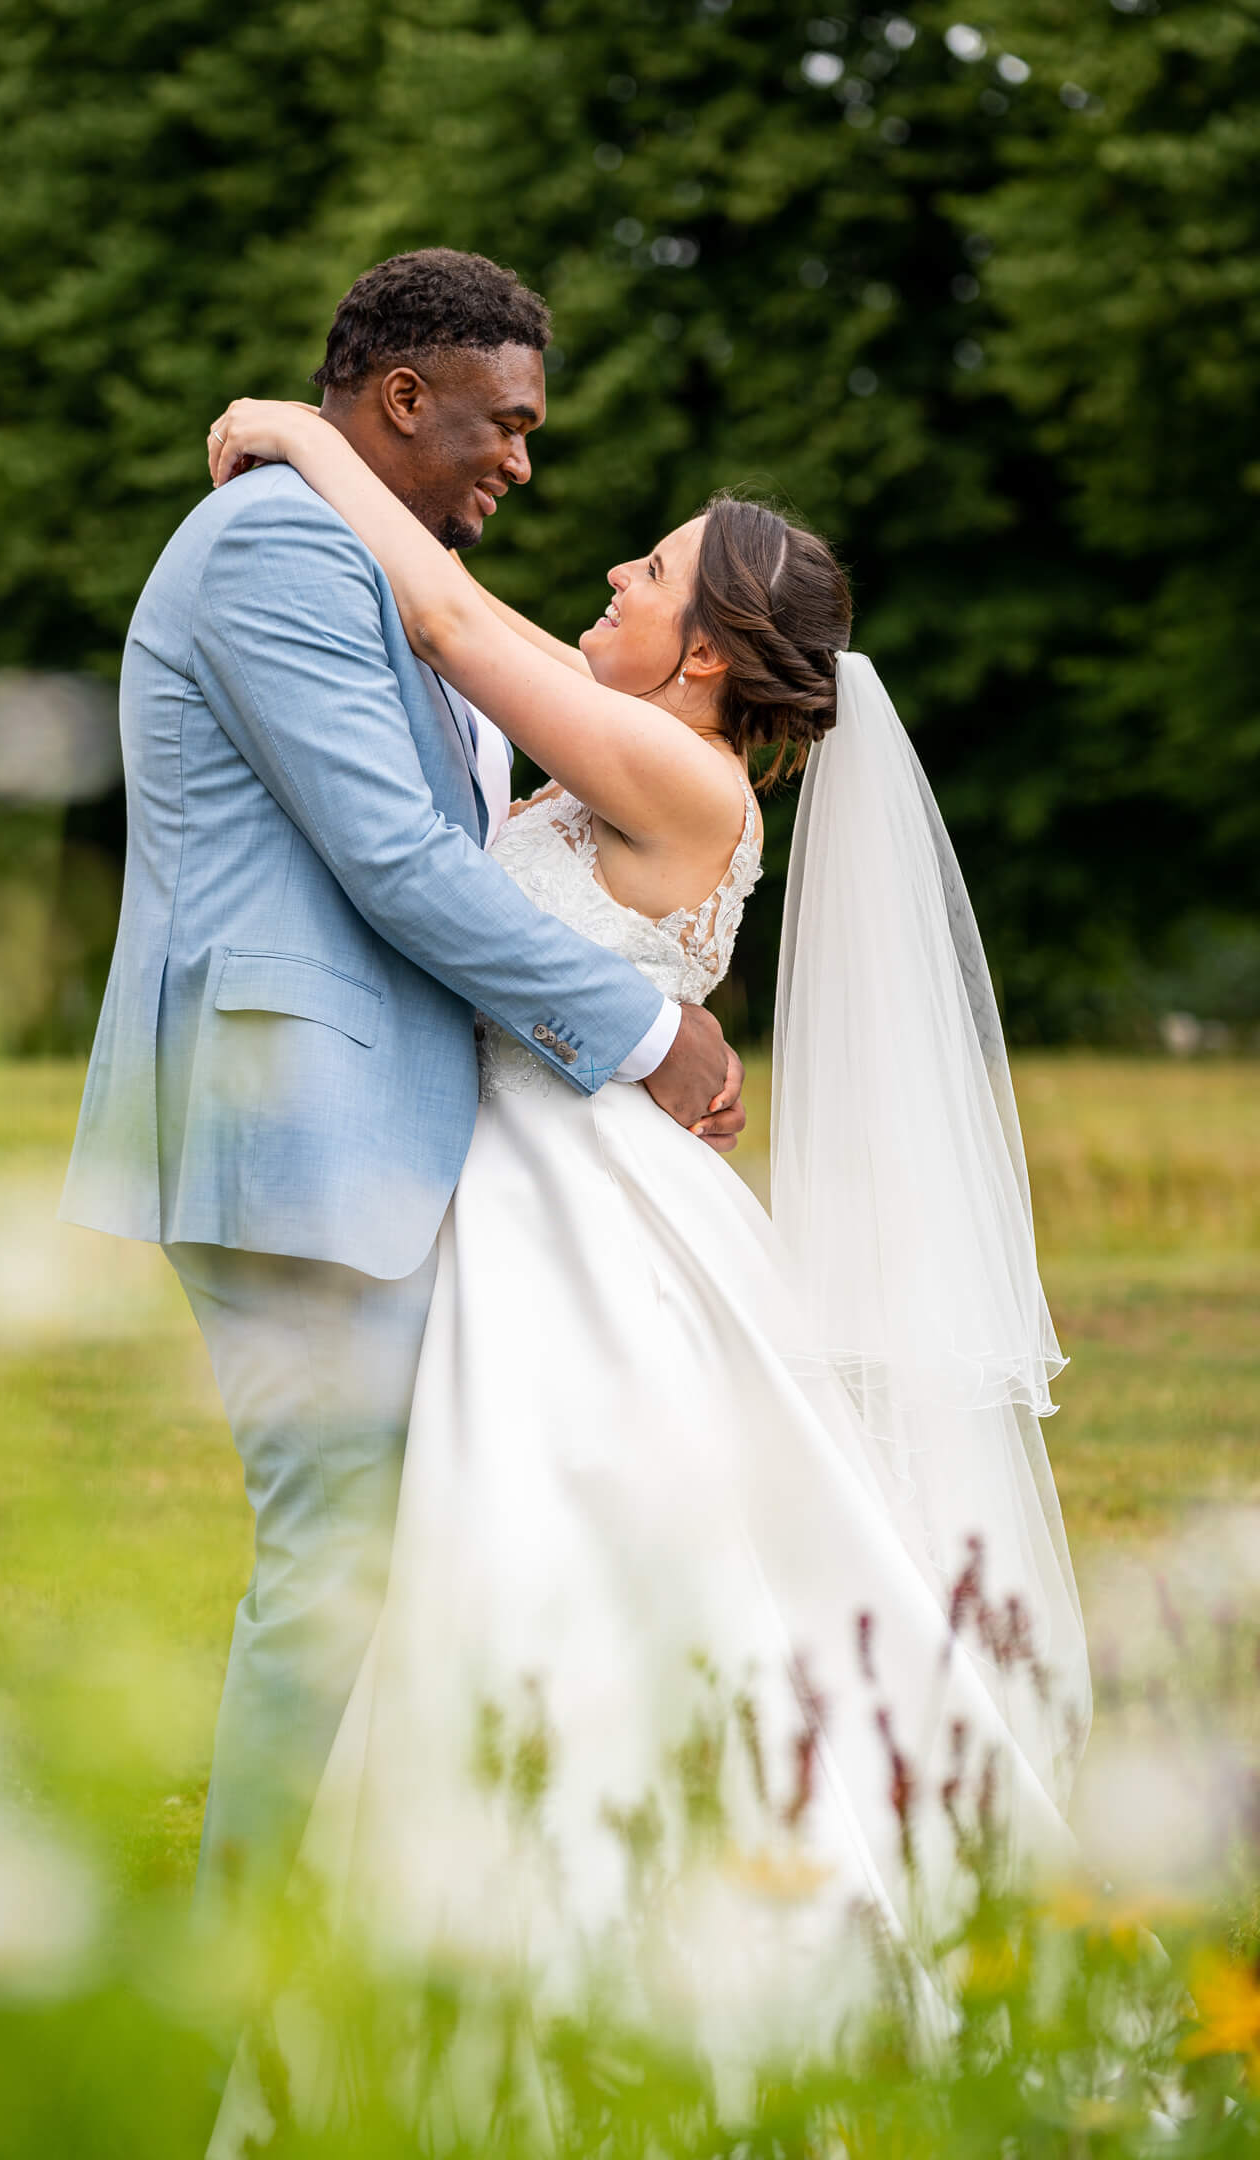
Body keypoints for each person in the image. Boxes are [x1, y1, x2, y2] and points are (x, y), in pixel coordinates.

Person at [199, 394, 1092, 2140]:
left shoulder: (677, 773)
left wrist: (308, 432)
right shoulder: (636, 740)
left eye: (657, 568)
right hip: (528, 1186)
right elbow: (467, 639)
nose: (615, 569)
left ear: (709, 657)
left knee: (554, 1562)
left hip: (576, 1218)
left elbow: (449, 616)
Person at [58, 250, 747, 1917]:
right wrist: (648, 1031)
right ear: (404, 397)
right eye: (505, 424)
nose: (523, 460)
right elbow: (395, 862)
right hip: (289, 1114)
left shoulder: (374, 557)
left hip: (377, 1124)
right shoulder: (281, 551)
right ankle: (238, 1964)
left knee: (394, 1552)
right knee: (335, 1563)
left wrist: (302, 434)